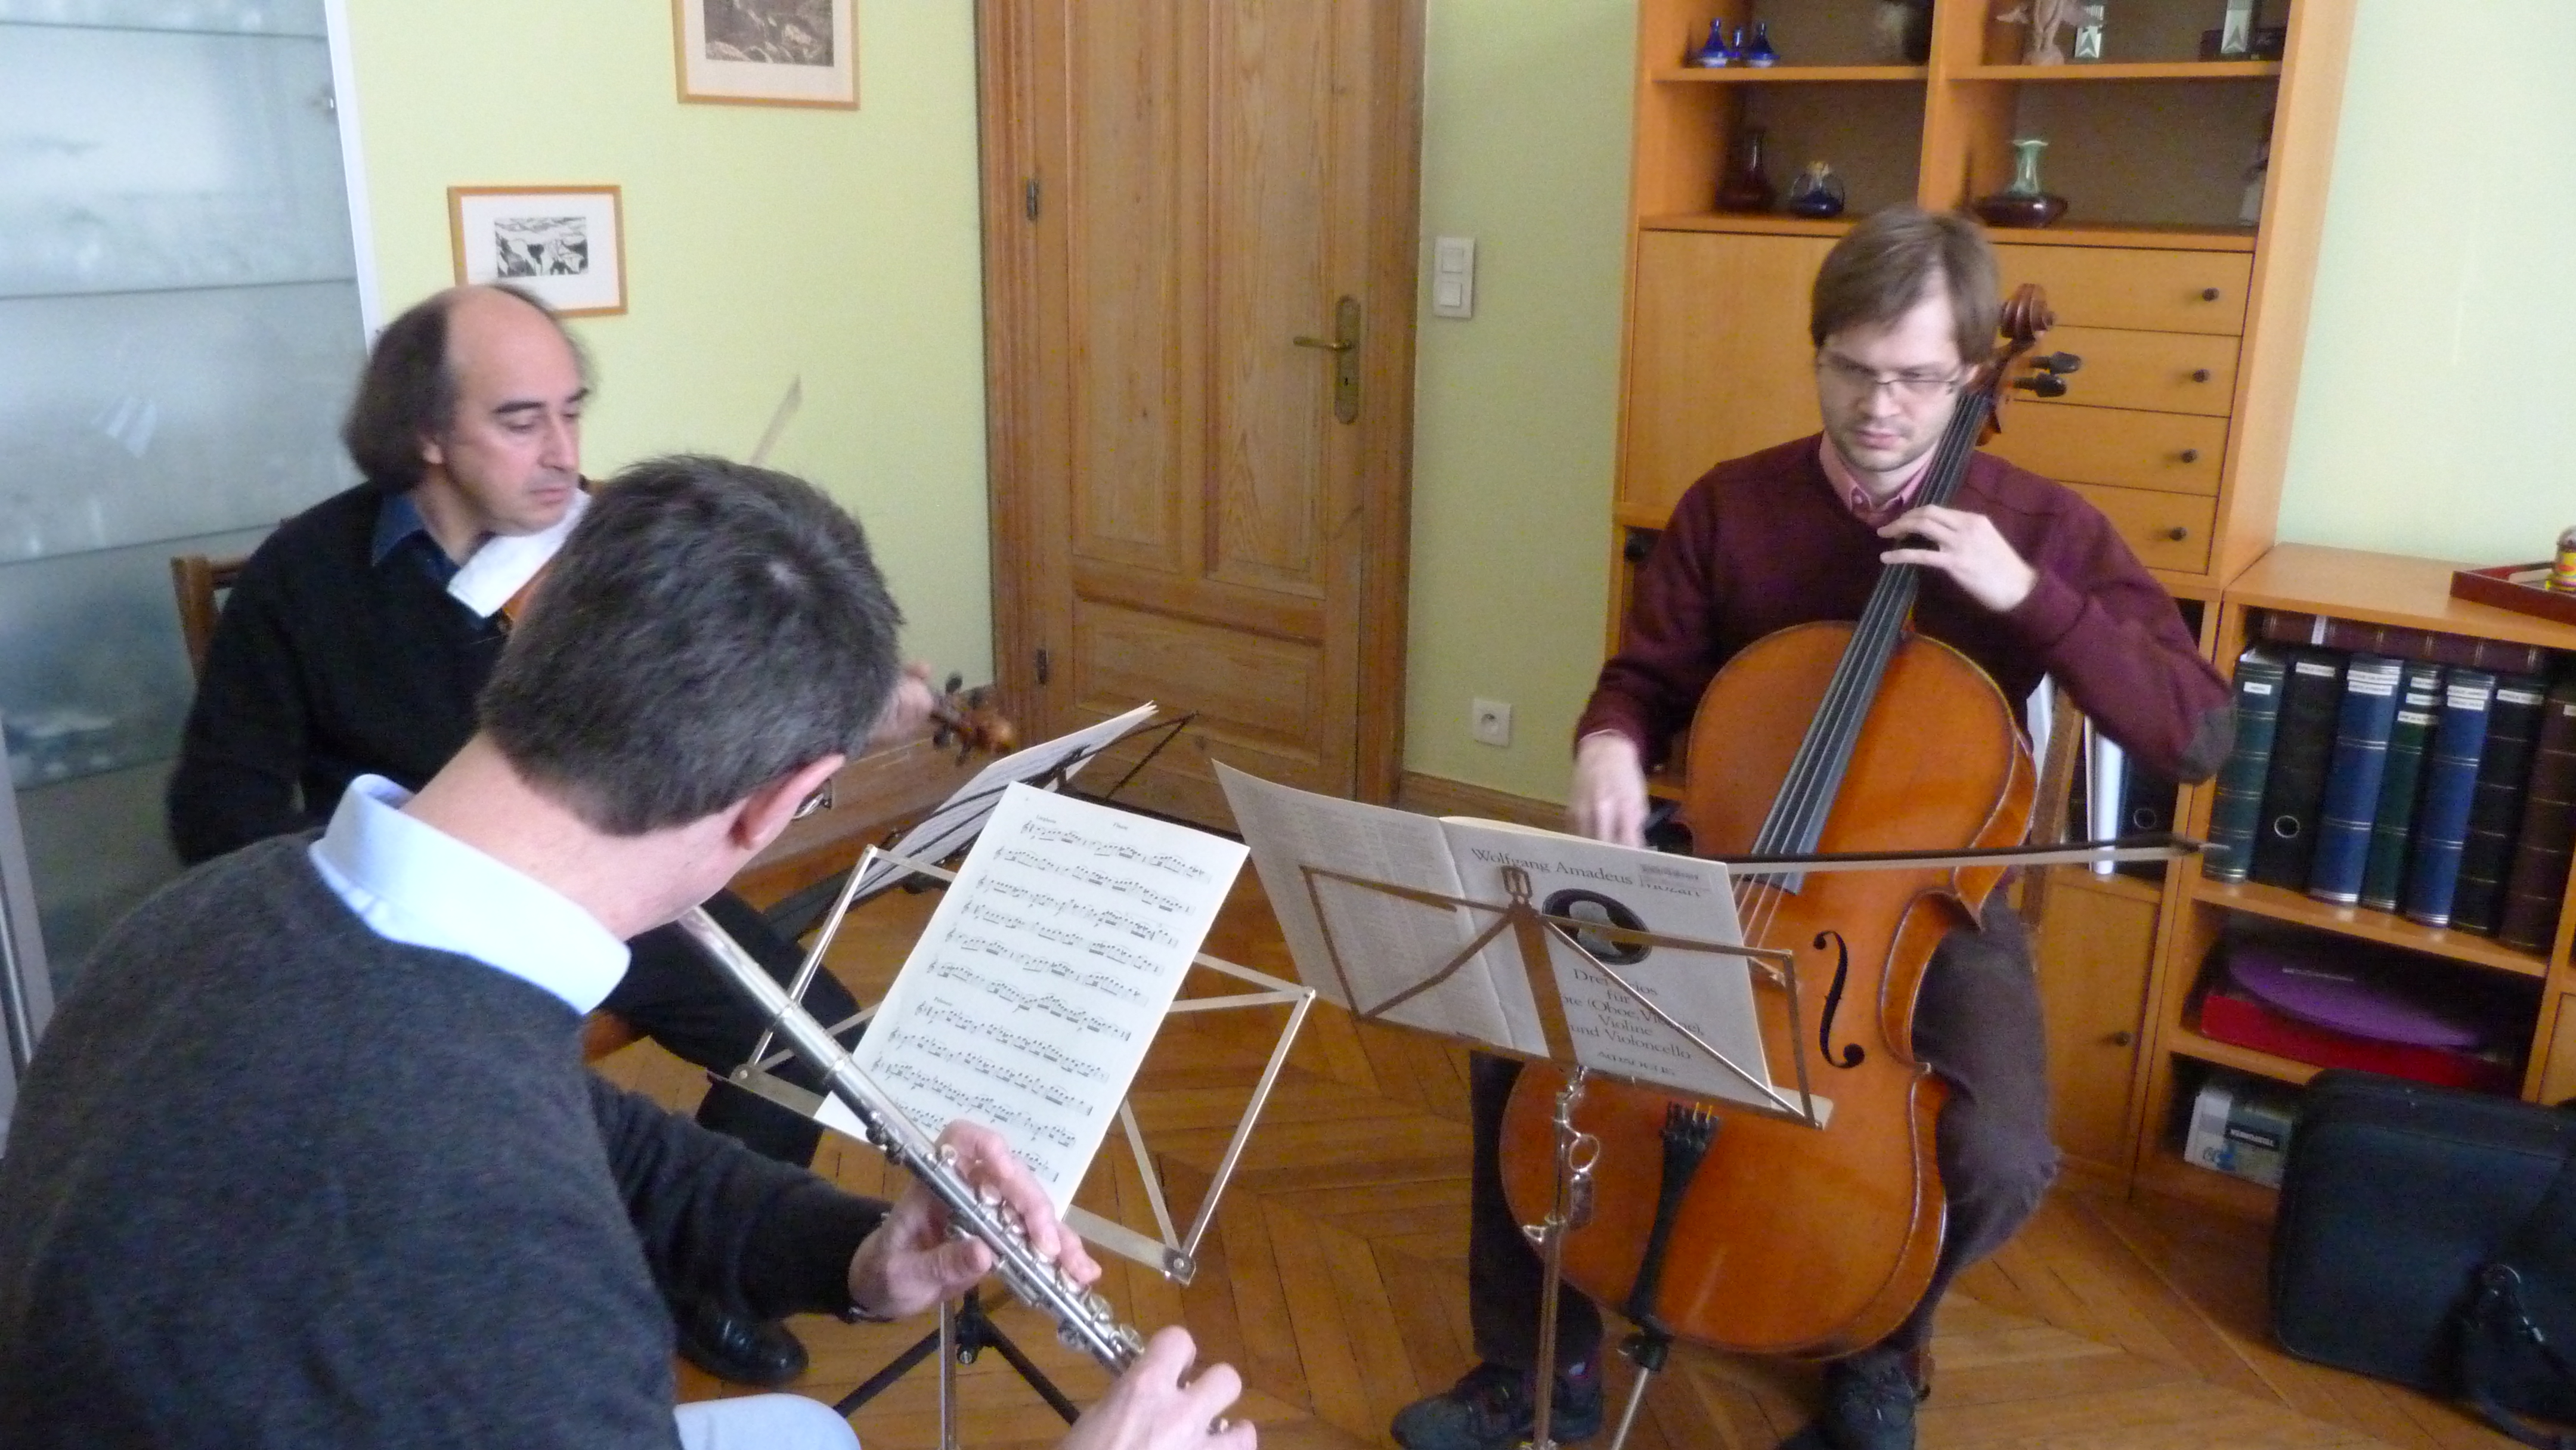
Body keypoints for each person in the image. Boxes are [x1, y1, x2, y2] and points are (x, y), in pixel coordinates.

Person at [0, 456, 1256, 1450]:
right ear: (783, 802)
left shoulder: (227, 909)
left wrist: (857, 1255)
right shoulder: (509, 1271)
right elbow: (493, 1204)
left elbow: (604, 1146)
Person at [1391, 207, 2234, 1450]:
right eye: (1853, 368)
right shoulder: (1733, 507)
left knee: (2000, 1153)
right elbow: (1646, 678)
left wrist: (2027, 596)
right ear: (1819, 351)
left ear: (1973, 373)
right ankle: (1537, 1365)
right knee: (1523, 1040)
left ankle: (1879, 1342)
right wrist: (1609, 741)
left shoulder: (2042, 530)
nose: (1881, 407)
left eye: (1919, 378)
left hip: (1927, 911)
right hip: (1729, 871)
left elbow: (2197, 735)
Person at [164, 282, 931, 1386]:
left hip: (608, 877)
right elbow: (218, 807)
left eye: (573, 413)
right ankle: (576, 1266)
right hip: (410, 930)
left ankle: (690, 1279)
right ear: (427, 433)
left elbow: (697, 743)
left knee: (812, 1033)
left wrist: (836, 705)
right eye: (522, 422)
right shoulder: (307, 575)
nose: (565, 455)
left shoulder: (605, 555)